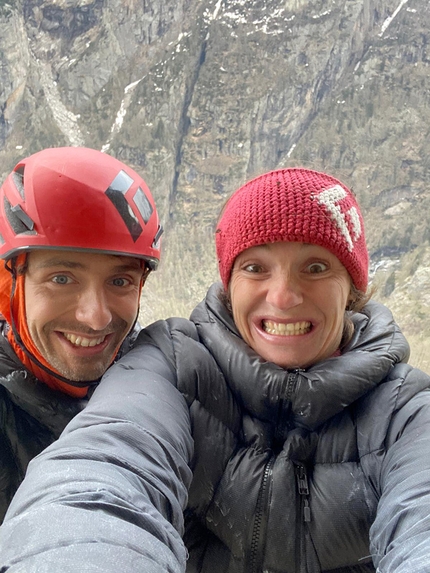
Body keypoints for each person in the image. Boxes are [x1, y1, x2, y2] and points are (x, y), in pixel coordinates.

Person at [1, 167, 430, 573]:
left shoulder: (405, 410)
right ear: (229, 284)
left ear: (351, 285)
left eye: (315, 267)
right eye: (255, 267)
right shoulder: (173, 362)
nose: (282, 297)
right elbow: (104, 472)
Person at [0, 146, 162, 521]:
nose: (95, 318)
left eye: (120, 280)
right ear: (12, 285)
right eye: (61, 278)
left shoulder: (167, 387)